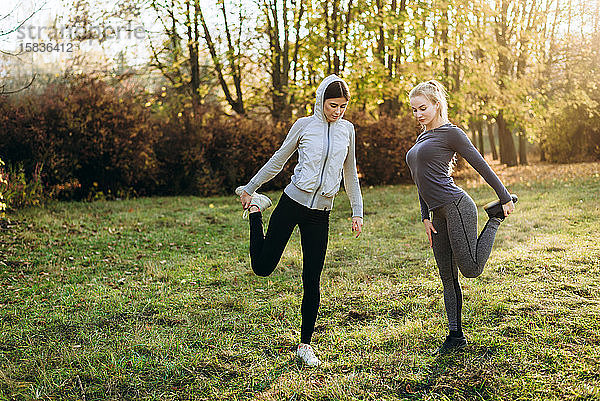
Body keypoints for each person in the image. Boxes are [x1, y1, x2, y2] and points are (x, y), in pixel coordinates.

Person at [235, 75, 364, 367]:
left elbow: (350, 173)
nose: (338, 111)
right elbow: (279, 159)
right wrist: (250, 188)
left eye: (343, 106)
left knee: (312, 279)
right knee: (263, 267)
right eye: (333, 105)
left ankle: (305, 345)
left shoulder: (347, 130)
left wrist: (356, 211)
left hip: (321, 214)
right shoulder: (305, 125)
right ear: (321, 101)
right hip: (292, 202)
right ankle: (256, 211)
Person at [405, 80, 518, 355]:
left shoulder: (451, 133)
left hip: (456, 205)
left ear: (436, 105)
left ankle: (494, 219)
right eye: (414, 110)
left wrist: (503, 197)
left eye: (422, 108)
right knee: (447, 275)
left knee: (470, 269)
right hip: (436, 214)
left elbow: (480, 163)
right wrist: (424, 216)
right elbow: (419, 178)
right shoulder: (422, 139)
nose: (418, 114)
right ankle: (455, 336)